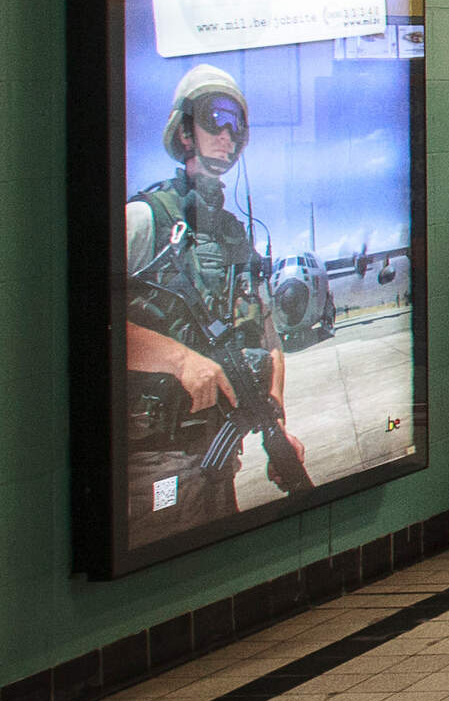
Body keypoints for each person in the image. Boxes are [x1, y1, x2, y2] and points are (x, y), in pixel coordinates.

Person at [123, 64, 312, 530]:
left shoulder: (234, 237)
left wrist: (275, 422)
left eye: (236, 124)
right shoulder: (144, 220)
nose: (226, 135)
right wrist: (179, 360)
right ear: (185, 131)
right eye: (214, 118)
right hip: (154, 462)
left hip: (216, 457)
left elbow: (266, 337)